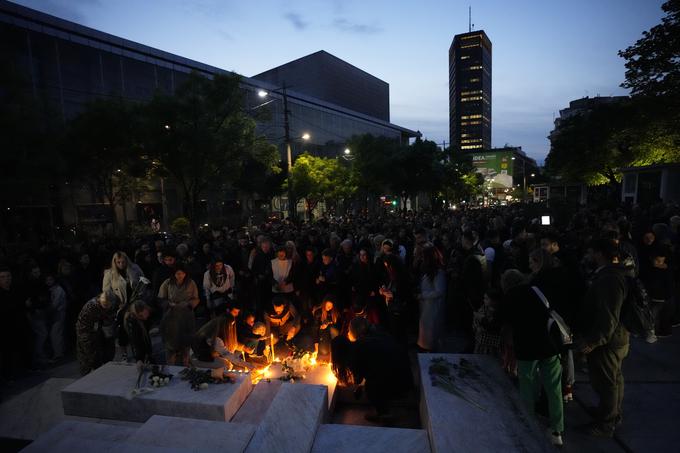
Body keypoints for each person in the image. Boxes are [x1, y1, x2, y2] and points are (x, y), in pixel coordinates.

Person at [499, 269, 564, 447]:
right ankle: (557, 430)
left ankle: (527, 425)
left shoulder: (509, 297)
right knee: (554, 389)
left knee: (526, 386)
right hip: (549, 346)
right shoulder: (537, 290)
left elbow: (505, 323)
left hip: (526, 348)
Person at [577, 238, 629, 438]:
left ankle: (606, 423)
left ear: (599, 254)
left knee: (606, 382)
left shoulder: (609, 279)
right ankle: (611, 413)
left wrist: (594, 341)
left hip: (608, 340)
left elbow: (609, 316)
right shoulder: (617, 273)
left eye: (591, 252)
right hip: (616, 337)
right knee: (614, 379)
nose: (589, 256)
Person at [331, 317, 413, 424]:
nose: (347, 332)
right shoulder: (373, 336)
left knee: (371, 386)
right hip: (406, 373)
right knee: (374, 378)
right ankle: (383, 408)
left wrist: (355, 383)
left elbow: (359, 378)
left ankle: (385, 414)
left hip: (399, 381)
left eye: (349, 330)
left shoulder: (355, 352)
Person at [0, 267, 31, 379]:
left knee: (24, 346)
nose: (6, 279)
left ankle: (27, 368)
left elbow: (25, 304)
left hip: (20, 323)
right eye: (3, 277)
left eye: (8, 276)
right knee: (7, 352)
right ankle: (8, 374)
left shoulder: (16, 289)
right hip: (6, 327)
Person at [76, 292, 116, 375]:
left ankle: (100, 370)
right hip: (85, 332)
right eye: (106, 306)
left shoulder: (102, 304)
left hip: (96, 331)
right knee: (89, 356)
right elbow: (91, 325)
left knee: (102, 352)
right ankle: (88, 375)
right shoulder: (92, 307)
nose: (108, 308)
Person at [417, 243, 446, 352]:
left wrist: (423, 295)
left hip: (433, 307)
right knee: (426, 330)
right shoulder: (429, 271)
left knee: (431, 332)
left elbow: (439, 291)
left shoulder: (438, 273)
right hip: (427, 306)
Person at [45, 274, 67, 363]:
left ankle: (58, 354)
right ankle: (58, 353)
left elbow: (55, 304)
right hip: (54, 314)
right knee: (56, 333)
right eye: (47, 280)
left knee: (55, 334)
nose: (48, 282)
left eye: (50, 279)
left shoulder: (58, 290)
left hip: (59, 313)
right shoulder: (51, 290)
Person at [311, 295, 341, 362]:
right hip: (322, 333)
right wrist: (316, 342)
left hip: (332, 332)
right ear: (324, 303)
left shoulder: (334, 313)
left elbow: (337, 325)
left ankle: (335, 349)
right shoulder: (318, 312)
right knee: (324, 351)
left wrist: (328, 323)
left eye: (331, 306)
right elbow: (315, 328)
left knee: (334, 332)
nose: (329, 308)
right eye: (327, 306)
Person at [125, 301, 153, 365]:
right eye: (142, 315)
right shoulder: (133, 322)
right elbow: (136, 341)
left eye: (147, 313)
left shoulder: (147, 312)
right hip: (140, 349)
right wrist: (139, 359)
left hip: (147, 346)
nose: (146, 317)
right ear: (138, 315)